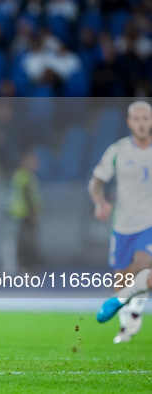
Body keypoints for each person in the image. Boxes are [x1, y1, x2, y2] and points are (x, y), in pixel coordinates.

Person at [92, 101, 152, 341]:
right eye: (137, 119)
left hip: (149, 222)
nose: (142, 123)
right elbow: (96, 182)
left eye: (146, 118)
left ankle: (126, 307)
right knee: (122, 279)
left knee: (145, 264)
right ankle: (128, 322)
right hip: (122, 225)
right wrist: (99, 202)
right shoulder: (118, 151)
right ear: (129, 123)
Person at [9, 150, 42, 274]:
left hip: (23, 214)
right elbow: (27, 196)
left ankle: (27, 265)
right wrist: (33, 212)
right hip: (25, 214)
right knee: (27, 242)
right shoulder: (24, 177)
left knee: (25, 240)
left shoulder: (24, 175)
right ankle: (28, 266)